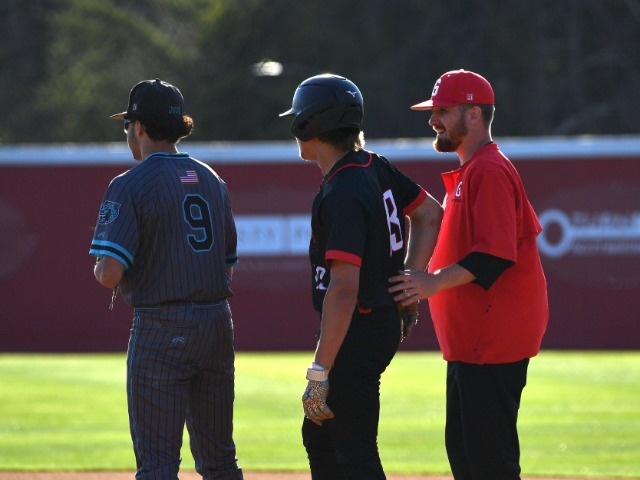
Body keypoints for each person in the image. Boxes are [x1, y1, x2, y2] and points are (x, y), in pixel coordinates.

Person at [279, 73, 443, 479]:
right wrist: (409, 284)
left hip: (359, 327)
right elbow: (429, 213)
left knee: (354, 452)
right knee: (321, 436)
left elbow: (343, 291)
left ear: (311, 124)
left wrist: (319, 372)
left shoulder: (343, 190)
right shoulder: (374, 166)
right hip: (375, 323)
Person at [389, 69, 548, 479]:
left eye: (442, 111)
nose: (433, 120)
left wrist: (430, 283)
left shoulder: (489, 170)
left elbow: (495, 255)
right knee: (466, 455)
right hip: (473, 344)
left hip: (491, 343)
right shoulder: (473, 169)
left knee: (487, 462)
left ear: (473, 114)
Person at [89, 78, 244, 480]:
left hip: (161, 328)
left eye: (128, 125)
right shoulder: (211, 179)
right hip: (216, 323)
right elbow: (227, 265)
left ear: (139, 126)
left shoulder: (128, 184)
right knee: (220, 461)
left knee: (157, 466)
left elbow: (109, 274)